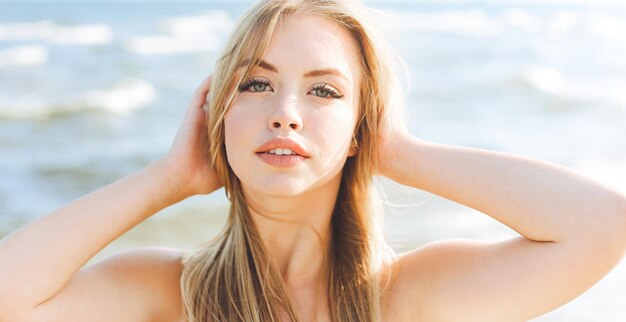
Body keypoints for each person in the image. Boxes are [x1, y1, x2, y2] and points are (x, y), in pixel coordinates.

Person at [1, 0, 625, 321]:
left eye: (324, 91)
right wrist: (169, 178)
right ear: (217, 112)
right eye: (255, 84)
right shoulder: (169, 294)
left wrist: (399, 153)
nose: (287, 113)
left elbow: (602, 225)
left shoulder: (404, 298)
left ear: (360, 127)